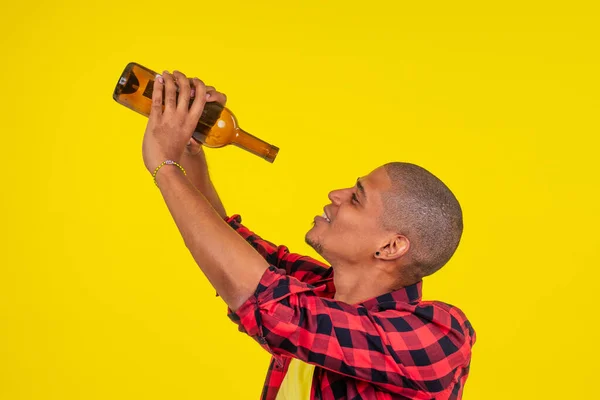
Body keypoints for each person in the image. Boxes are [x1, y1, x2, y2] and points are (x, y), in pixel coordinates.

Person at [141, 70, 476, 400]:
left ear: (391, 247)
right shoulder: (323, 293)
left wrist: (165, 168)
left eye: (356, 198)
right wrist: (189, 147)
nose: (335, 194)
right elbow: (225, 247)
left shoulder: (439, 338)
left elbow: (264, 299)